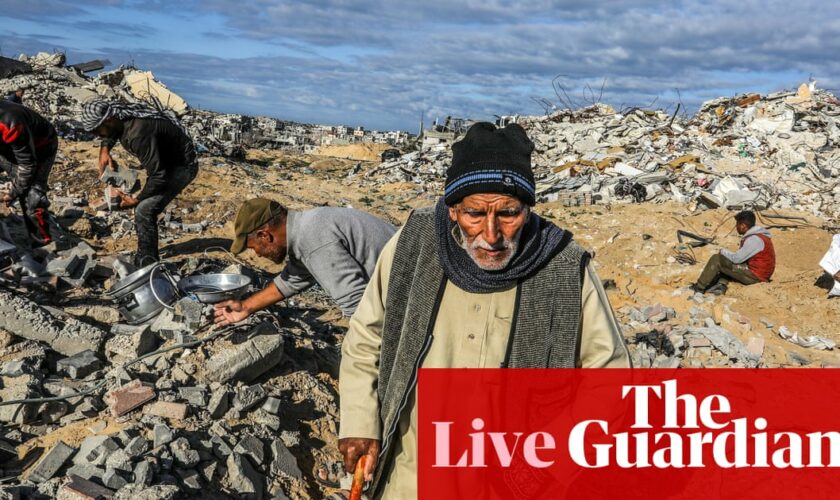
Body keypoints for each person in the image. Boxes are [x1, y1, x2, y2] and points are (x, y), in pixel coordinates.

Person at [337, 122, 631, 498]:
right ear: (452, 211)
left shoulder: (563, 265)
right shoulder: (413, 245)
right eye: (475, 214)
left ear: (527, 209)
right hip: (410, 472)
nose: (492, 235)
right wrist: (360, 421)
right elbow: (366, 338)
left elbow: (608, 379)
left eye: (508, 214)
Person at [213, 198, 396, 325]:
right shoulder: (307, 227)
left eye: (254, 247)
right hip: (412, 281)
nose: (258, 255)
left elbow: (357, 306)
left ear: (264, 235)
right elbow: (292, 280)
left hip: (417, 290)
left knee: (359, 365)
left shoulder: (312, 240)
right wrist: (245, 307)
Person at [80, 99, 198, 266]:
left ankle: (147, 261)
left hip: (182, 166)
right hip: (165, 161)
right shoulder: (121, 119)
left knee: (144, 209)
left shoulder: (138, 133)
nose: (96, 135)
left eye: (96, 130)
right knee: (136, 186)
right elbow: (112, 131)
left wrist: (137, 198)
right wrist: (105, 149)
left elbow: (158, 175)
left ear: (108, 120)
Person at [0, 100, 57, 246]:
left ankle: (42, 242)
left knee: (32, 197)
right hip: (6, 149)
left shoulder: (10, 122)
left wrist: (15, 190)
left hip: (40, 149)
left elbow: (27, 165)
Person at [691, 210, 775, 295]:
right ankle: (721, 285)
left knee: (717, 259)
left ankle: (699, 287)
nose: (736, 227)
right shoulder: (760, 237)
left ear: (743, 226)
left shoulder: (754, 239)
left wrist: (722, 251)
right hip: (760, 274)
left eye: (737, 224)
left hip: (755, 277)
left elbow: (736, 259)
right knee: (727, 263)